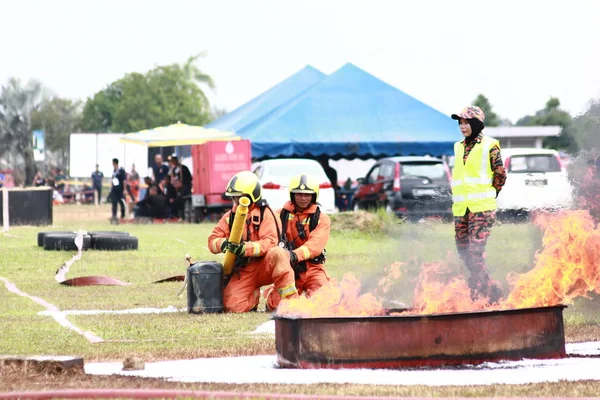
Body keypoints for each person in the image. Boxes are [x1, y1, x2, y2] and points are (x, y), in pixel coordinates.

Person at [207, 170, 298, 312]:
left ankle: (291, 302)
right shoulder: (230, 216)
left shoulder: (266, 214)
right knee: (232, 306)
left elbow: (270, 242)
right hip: (244, 269)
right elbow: (212, 240)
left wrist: (244, 248)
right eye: (234, 198)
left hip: (265, 264)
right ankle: (254, 295)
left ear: (252, 195)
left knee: (279, 253)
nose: (236, 201)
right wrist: (223, 244)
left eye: (239, 197)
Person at [450, 106, 506, 303]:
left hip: (482, 208)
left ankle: (481, 293)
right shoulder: (457, 147)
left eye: (466, 122)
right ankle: (488, 289)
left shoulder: (490, 145)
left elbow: (500, 174)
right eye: (460, 123)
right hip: (461, 208)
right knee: (463, 250)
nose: (462, 126)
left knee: (475, 251)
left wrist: (491, 195)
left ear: (476, 124)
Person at [265, 173, 331, 308]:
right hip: (289, 269)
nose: (303, 198)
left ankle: (305, 299)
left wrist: (294, 255)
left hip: (312, 268)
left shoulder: (321, 219)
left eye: (307, 194)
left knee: (324, 302)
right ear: (292, 195)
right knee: (277, 305)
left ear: (314, 195)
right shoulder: (278, 215)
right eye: (298, 194)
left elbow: (315, 246)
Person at [109, 158, 127, 224]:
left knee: (121, 202)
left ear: (114, 162)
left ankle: (123, 215)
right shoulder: (114, 170)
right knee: (114, 203)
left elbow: (124, 180)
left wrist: (124, 189)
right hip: (114, 189)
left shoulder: (121, 170)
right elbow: (113, 179)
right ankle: (114, 215)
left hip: (120, 189)